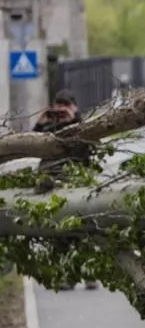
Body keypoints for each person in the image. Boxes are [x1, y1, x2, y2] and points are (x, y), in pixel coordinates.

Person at [33, 91, 98, 291]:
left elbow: (88, 149)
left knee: (82, 230)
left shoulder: (83, 126)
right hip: (51, 183)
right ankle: (68, 276)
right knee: (60, 232)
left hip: (76, 182)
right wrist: (40, 123)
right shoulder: (49, 127)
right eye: (58, 105)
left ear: (74, 107)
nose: (61, 110)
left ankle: (89, 274)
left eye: (65, 105)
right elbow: (30, 144)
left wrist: (73, 121)